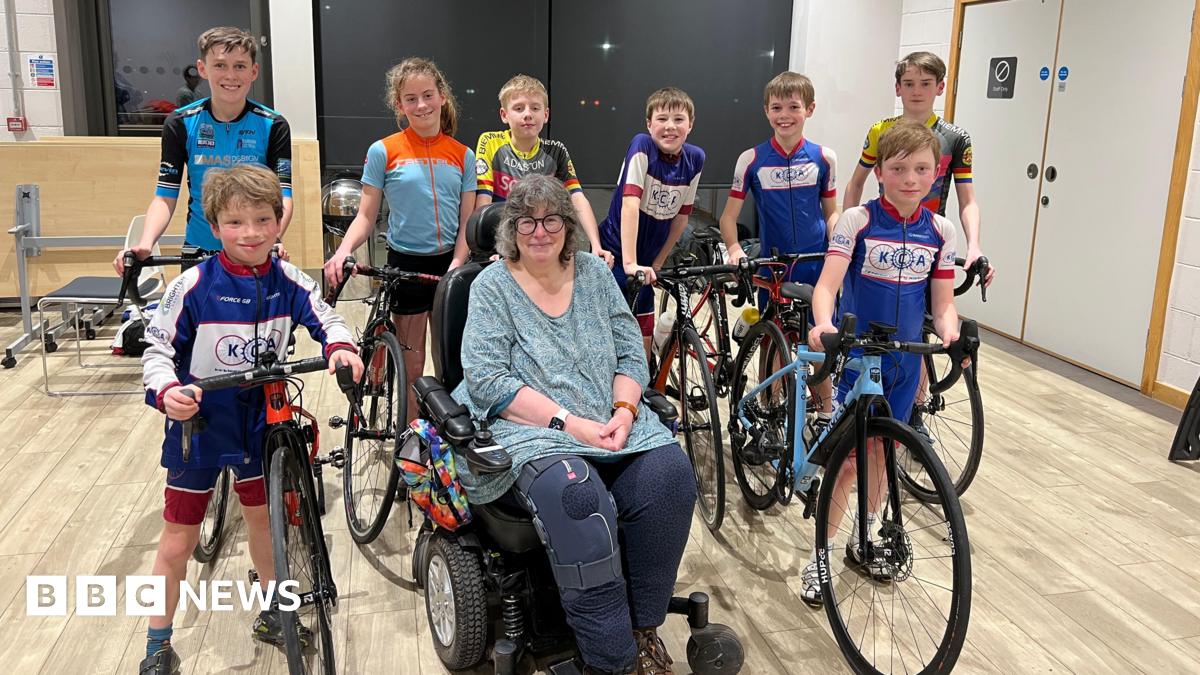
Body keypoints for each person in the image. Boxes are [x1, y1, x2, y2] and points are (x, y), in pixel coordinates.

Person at [454, 174, 696, 675]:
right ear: (511, 229)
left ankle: (642, 630)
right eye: (526, 222)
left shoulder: (593, 274)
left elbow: (630, 352)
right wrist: (571, 425)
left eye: (551, 220)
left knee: (671, 477)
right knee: (578, 499)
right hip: (532, 431)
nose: (539, 232)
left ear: (568, 226)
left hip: (611, 419)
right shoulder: (490, 287)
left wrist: (624, 412)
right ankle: (611, 662)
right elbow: (488, 380)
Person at [138, 164, 364, 674]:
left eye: (264, 219)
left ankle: (275, 609)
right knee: (178, 539)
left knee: (265, 522)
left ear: (279, 221)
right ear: (215, 226)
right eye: (236, 222)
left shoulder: (289, 279)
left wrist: (340, 346)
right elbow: (156, 350)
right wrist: (167, 391)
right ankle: (156, 642)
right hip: (201, 422)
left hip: (263, 418)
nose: (252, 233)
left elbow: (326, 317)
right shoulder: (193, 284)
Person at [803, 121, 961, 606]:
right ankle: (821, 555)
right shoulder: (858, 221)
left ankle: (864, 535)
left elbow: (944, 305)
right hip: (858, 357)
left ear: (936, 174)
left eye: (922, 169)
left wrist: (952, 335)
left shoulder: (941, 230)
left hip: (905, 363)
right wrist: (823, 323)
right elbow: (827, 285)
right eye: (898, 168)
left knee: (882, 454)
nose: (911, 179)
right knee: (848, 462)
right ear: (880, 173)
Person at [323, 57, 476, 422]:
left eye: (428, 95)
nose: (421, 105)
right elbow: (365, 215)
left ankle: (447, 430)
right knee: (413, 363)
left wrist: (457, 264)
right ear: (399, 104)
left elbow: (467, 222)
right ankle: (412, 438)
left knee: (450, 361)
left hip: (451, 262)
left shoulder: (462, 155)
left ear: (442, 96)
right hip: (405, 264)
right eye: (411, 98)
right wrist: (342, 251)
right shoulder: (384, 150)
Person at [114, 26, 293, 274]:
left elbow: (283, 195)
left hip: (255, 250)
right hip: (199, 252)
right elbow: (165, 196)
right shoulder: (180, 122)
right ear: (202, 69)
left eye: (240, 66)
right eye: (220, 65)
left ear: (253, 72)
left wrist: (273, 238)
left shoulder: (274, 125)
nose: (230, 75)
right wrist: (145, 243)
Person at [718, 71, 839, 424]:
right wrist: (735, 250)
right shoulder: (751, 159)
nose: (784, 115)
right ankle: (770, 413)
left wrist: (841, 247)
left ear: (809, 109)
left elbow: (832, 214)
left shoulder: (824, 157)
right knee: (773, 342)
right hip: (775, 267)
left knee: (819, 340)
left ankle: (825, 415)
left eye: (793, 107)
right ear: (766, 112)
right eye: (776, 108)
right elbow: (728, 217)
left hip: (816, 265)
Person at [842, 51, 993, 286]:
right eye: (909, 84)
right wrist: (847, 235)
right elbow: (856, 183)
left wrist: (974, 245)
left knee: (930, 305)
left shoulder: (956, 138)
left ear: (940, 87)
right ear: (898, 88)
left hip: (930, 238)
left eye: (925, 83)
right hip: (881, 236)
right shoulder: (879, 131)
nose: (917, 91)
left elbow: (968, 201)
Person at [598, 87, 705, 346]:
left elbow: (681, 218)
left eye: (679, 119)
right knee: (609, 339)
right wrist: (629, 263)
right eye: (662, 118)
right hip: (616, 254)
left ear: (690, 125)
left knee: (643, 341)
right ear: (649, 124)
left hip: (645, 262)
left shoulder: (695, 158)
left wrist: (658, 262)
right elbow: (630, 204)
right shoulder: (642, 144)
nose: (670, 126)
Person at [475, 74, 613, 266]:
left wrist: (596, 245)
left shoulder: (557, 150)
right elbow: (483, 199)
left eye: (535, 108)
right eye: (518, 108)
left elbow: (577, 198)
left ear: (546, 114)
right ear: (504, 115)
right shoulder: (490, 142)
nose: (528, 114)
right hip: (499, 246)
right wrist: (485, 248)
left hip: (539, 241)